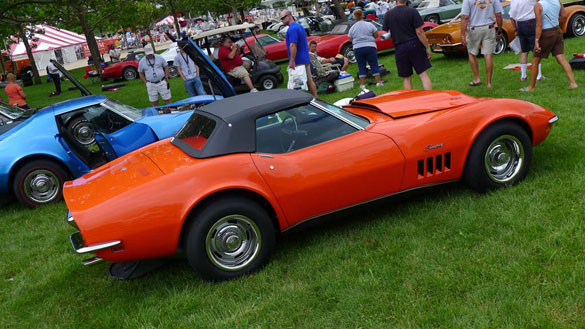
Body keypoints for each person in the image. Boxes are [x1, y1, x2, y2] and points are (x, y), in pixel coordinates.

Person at [521, 0, 578, 91]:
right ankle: (573, 83)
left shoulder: (538, 6)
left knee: (535, 61)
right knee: (561, 58)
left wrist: (536, 40)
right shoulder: (557, 1)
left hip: (546, 34)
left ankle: (531, 87)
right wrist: (553, 17)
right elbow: (564, 15)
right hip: (557, 31)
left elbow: (539, 25)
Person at [382, 0, 432, 90]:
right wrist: (427, 47)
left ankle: (410, 101)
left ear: (396, 1)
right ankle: (429, 98)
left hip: (399, 47)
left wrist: (395, 32)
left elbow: (384, 33)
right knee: (423, 74)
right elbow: (419, 32)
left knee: (406, 77)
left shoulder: (388, 15)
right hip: (414, 44)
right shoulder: (412, 11)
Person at [461, 0, 504, 87]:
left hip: (474, 29)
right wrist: (499, 30)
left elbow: (465, 17)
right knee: (488, 55)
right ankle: (488, 83)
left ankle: (477, 78)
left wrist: (462, 34)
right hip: (489, 28)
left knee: (472, 53)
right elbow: (498, 14)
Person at [281, 9, 318, 97]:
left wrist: (292, 60)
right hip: (305, 59)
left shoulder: (292, 28)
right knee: (309, 80)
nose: (281, 20)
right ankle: (316, 98)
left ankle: (300, 102)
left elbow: (293, 45)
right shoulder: (299, 26)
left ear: (289, 16)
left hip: (298, 61)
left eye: (283, 18)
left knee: (298, 84)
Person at [348, 9, 383, 89]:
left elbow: (350, 39)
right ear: (362, 15)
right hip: (370, 46)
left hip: (358, 48)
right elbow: (376, 34)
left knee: (361, 66)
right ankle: (378, 82)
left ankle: (362, 85)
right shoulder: (369, 25)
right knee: (374, 64)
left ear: (354, 17)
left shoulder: (352, 28)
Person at [510, 0, 544, 81]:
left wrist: (515, 29)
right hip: (531, 22)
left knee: (524, 51)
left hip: (520, 24)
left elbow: (511, 17)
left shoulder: (513, 1)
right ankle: (538, 75)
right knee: (536, 49)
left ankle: (523, 76)